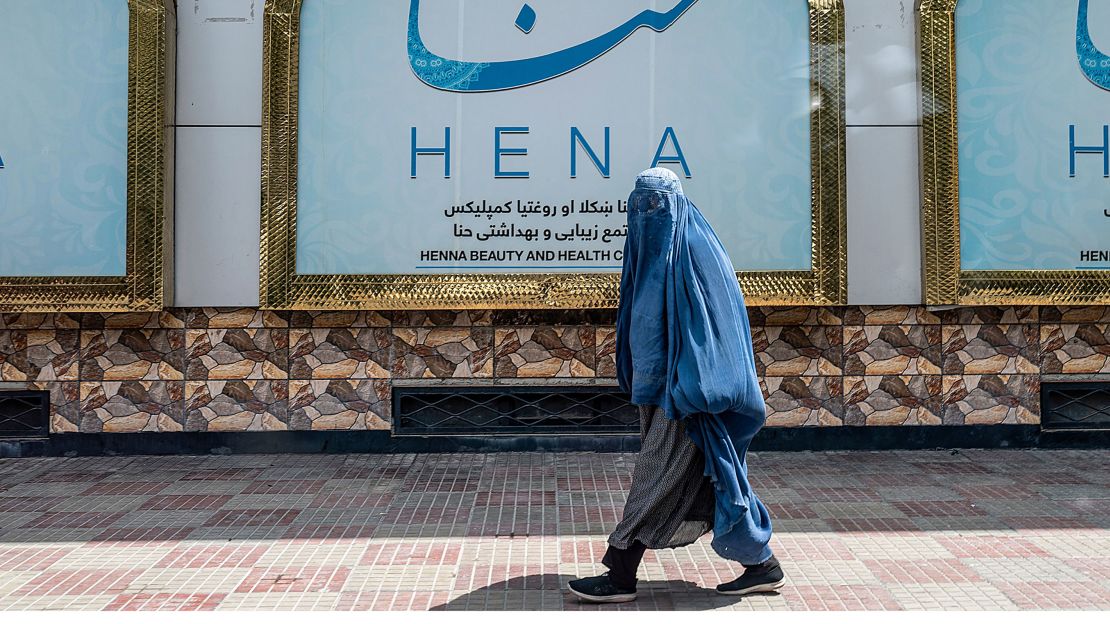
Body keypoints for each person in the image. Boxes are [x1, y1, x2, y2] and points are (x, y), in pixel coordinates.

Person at [567, 168, 783, 603]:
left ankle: (620, 571)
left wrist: (697, 387)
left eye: (657, 204)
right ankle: (761, 564)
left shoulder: (699, 252)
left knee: (655, 477)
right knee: (712, 477)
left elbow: (719, 328)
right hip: (655, 388)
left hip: (687, 394)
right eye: (641, 205)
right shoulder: (646, 252)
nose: (650, 214)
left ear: (677, 205)